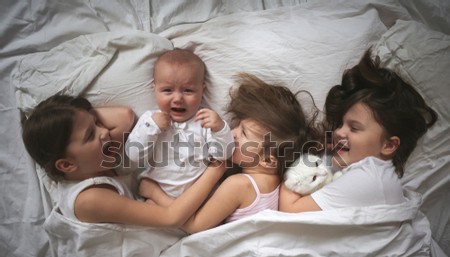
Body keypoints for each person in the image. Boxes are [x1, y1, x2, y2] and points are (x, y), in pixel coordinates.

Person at [145, 73, 321, 234]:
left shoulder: (239, 185)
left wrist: (155, 194)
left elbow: (194, 226)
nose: (232, 132)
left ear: (268, 160)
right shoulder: (276, 181)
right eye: (237, 125)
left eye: (243, 133)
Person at [21, 95, 226, 227]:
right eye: (90, 134)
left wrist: (80, 117)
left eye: (97, 123)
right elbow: (170, 218)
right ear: (66, 165)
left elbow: (125, 117)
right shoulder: (89, 199)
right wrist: (216, 170)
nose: (105, 131)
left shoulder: (94, 162)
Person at [279, 49, 438, 212]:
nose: (338, 133)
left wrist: (292, 179)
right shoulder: (340, 166)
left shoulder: (371, 177)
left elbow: (289, 211)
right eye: (340, 124)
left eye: (354, 128)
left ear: (389, 145)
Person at [125, 48, 234, 203]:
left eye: (188, 91)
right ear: (154, 89)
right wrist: (152, 127)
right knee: (148, 212)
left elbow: (222, 155)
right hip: (157, 192)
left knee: (220, 202)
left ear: (202, 91)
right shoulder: (149, 120)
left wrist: (220, 128)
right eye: (167, 90)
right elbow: (133, 155)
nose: (177, 98)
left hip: (199, 195)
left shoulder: (205, 120)